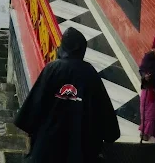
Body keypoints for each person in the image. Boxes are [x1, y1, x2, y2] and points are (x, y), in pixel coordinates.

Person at [15, 27, 120, 162]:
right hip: (81, 151)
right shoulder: (90, 74)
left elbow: (34, 106)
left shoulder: (52, 69)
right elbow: (104, 112)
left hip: (47, 150)